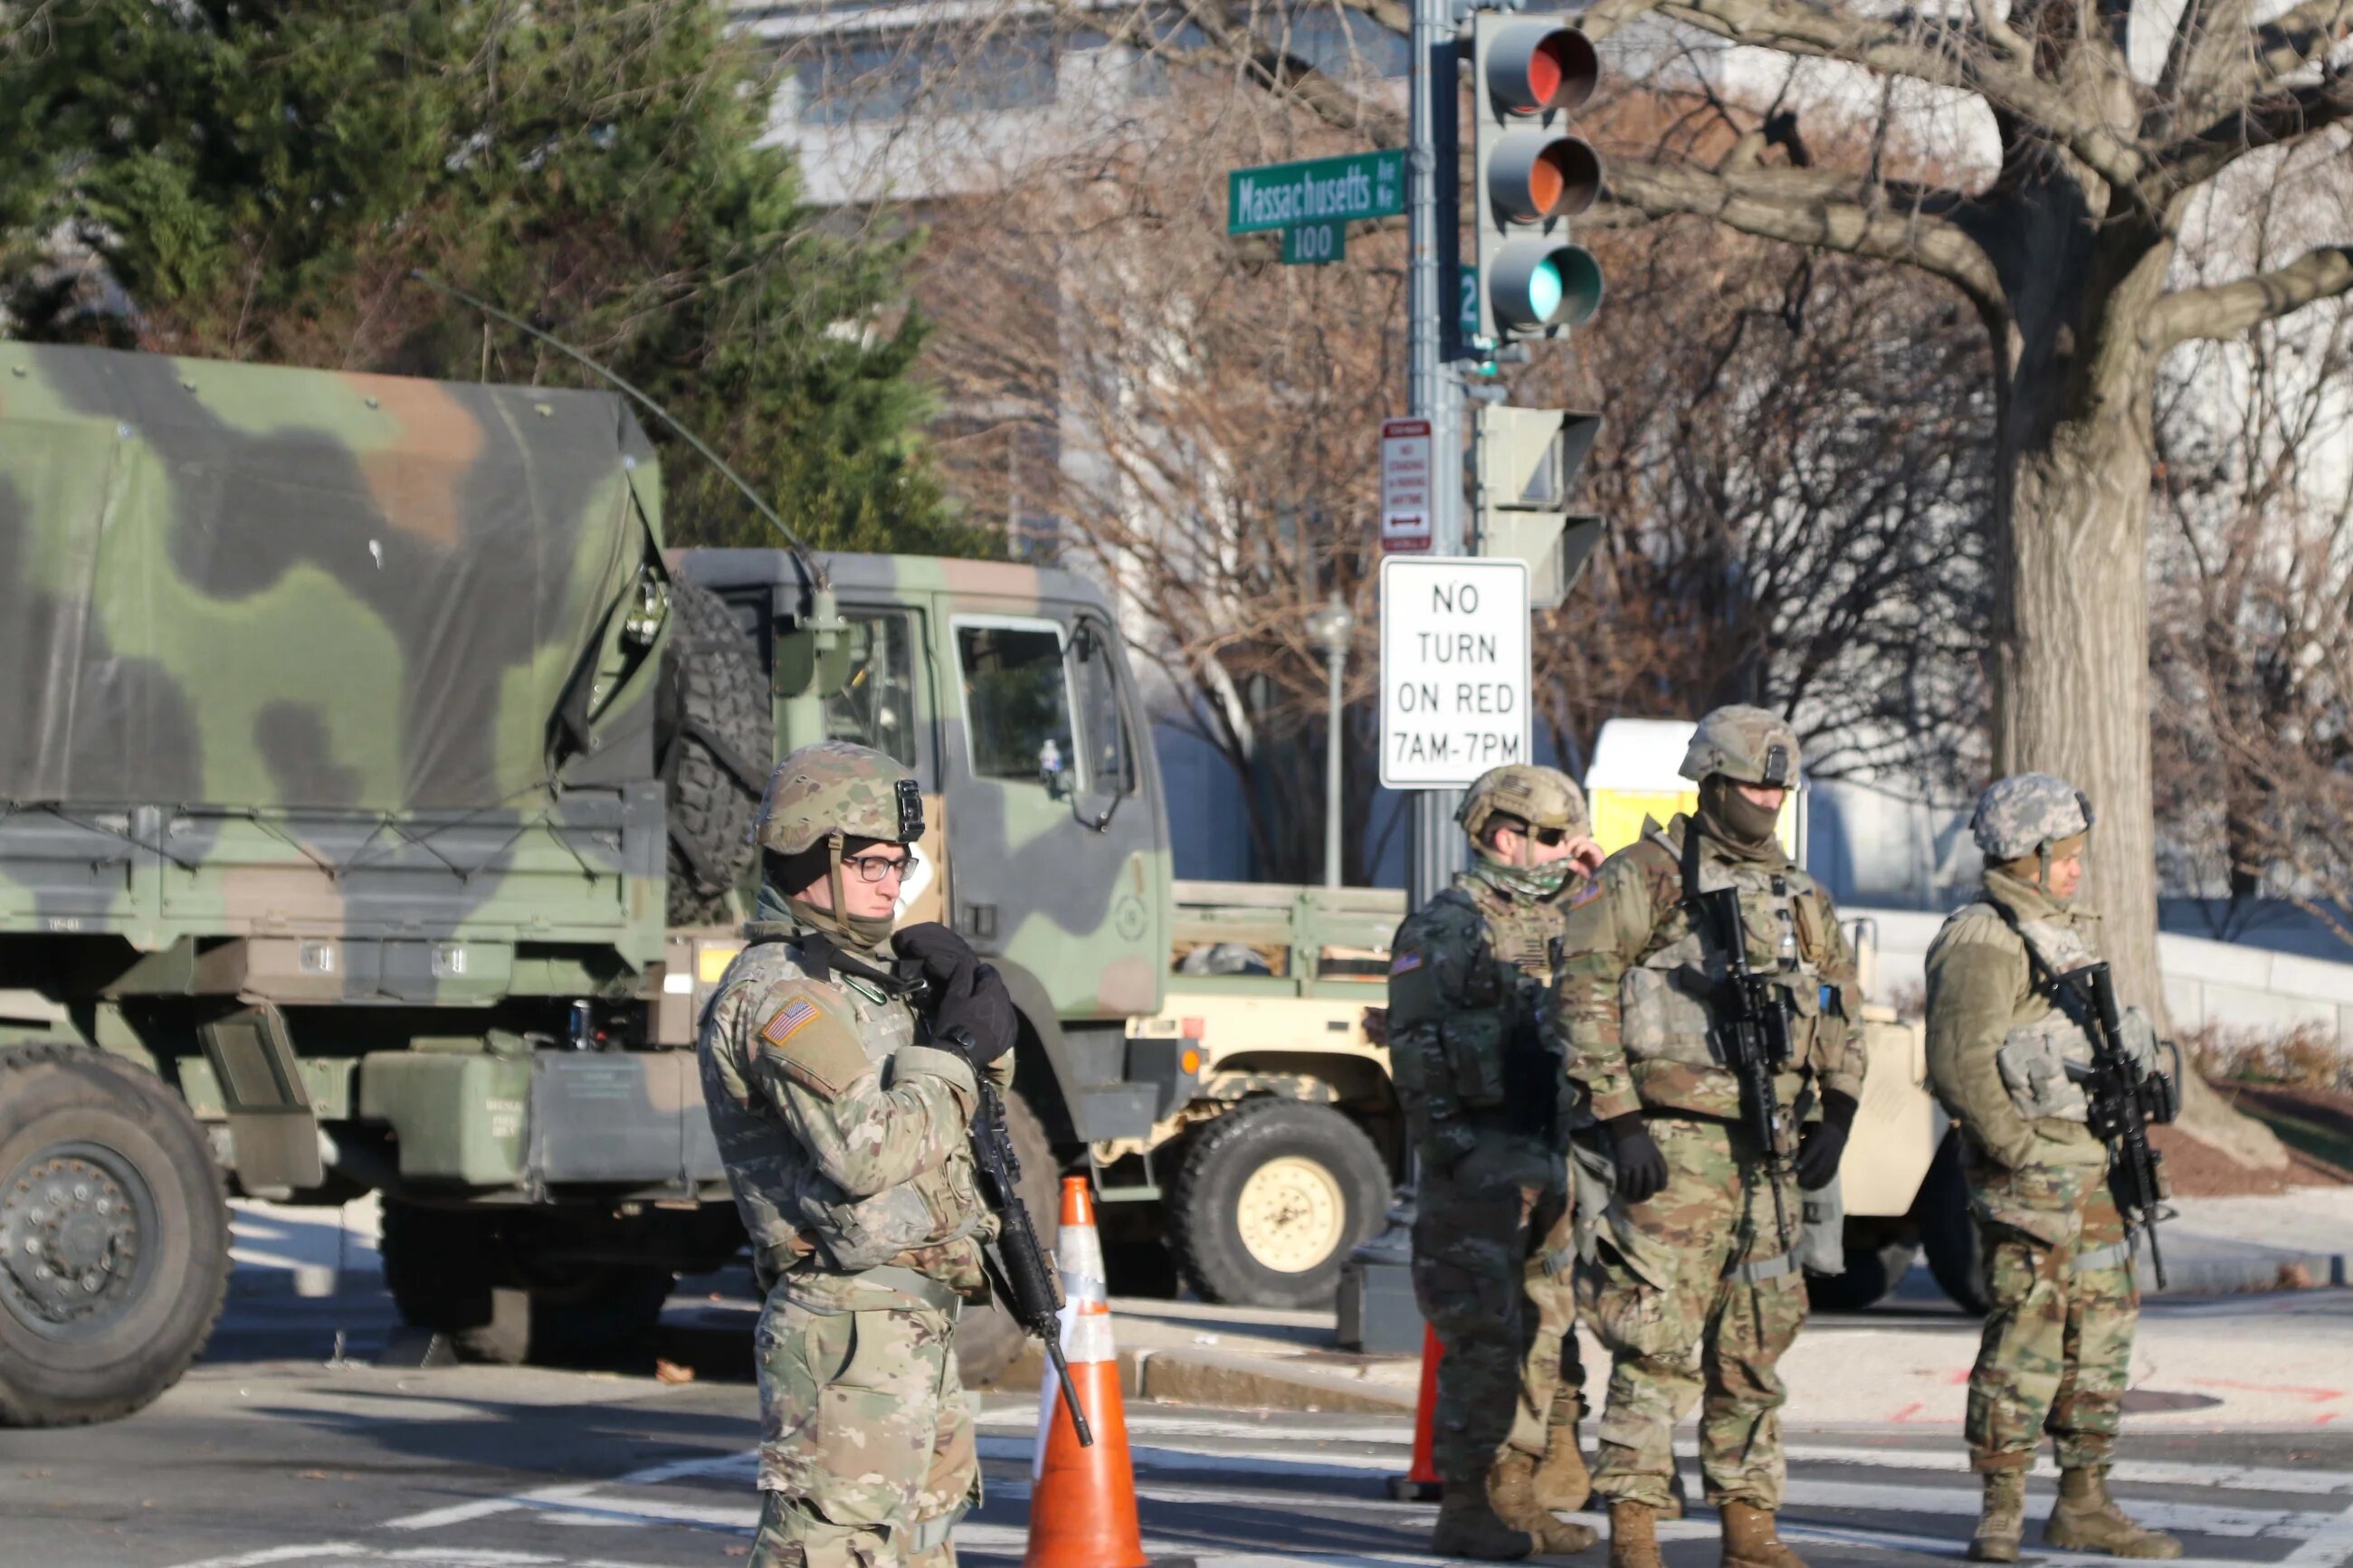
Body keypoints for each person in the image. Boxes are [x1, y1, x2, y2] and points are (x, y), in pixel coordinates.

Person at [1548, 707, 1862, 1568]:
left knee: (1756, 1342)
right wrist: (1620, 1120)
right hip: (1673, 1148)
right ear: (1712, 783)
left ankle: (1750, 1528)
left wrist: (1838, 1109)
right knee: (1656, 1341)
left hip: (1772, 1152)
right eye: (1755, 785)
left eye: (1779, 788)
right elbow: (1583, 995)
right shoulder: (1644, 875)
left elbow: (1840, 1004)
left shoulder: (1802, 896)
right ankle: (1636, 1532)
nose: (1769, 800)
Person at [699, 740, 1021, 1568]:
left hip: (913, 1323)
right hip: (845, 1331)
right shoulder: (779, 993)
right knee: (833, 1550)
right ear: (810, 853)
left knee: (922, 1549)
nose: (892, 882)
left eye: (900, 862)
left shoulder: (860, 978)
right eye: (872, 862)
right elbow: (868, 1149)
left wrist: (974, 1027)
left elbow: (956, 1120)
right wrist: (952, 1052)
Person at [1928, 774, 2182, 1562]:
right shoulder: (1983, 939)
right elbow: (1959, 1065)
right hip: (2032, 1176)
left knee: (2101, 1333)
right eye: (2063, 854)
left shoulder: (2065, 929)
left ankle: (2084, 1499)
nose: (2076, 867)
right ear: (2025, 855)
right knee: (2026, 1335)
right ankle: (2001, 1510)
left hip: (2094, 1168)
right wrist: (2020, 1150)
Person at [1388, 765, 1607, 1560]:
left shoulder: (1573, 916)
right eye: (1553, 836)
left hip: (1551, 1158)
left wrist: (1600, 883)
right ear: (1504, 835)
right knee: (1484, 1341)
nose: (1566, 849)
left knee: (1543, 1337)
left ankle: (1518, 1495)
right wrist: (1459, 1158)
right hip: (1481, 1169)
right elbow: (1415, 1055)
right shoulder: (1445, 927)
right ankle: (1467, 1508)